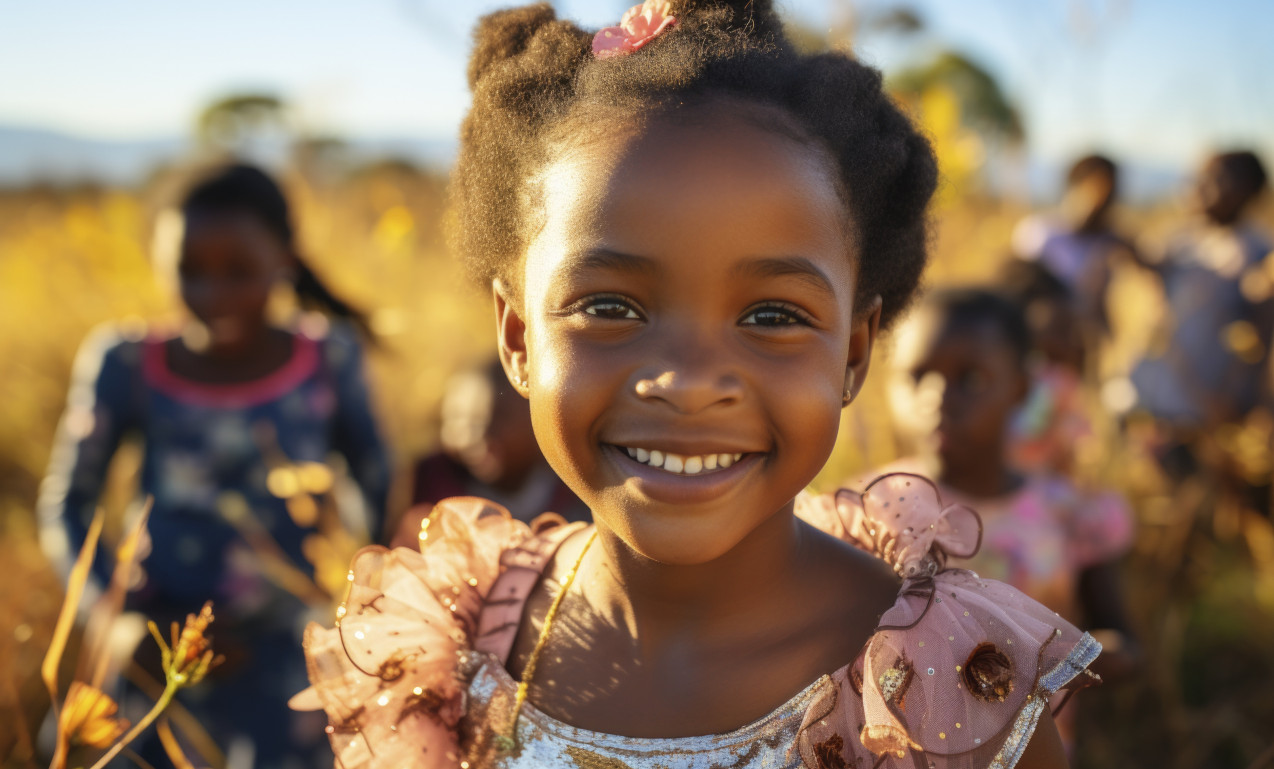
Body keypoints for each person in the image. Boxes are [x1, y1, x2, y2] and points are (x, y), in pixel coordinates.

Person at [291, 3, 1100, 767]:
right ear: (518, 337)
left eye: (773, 315)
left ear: (854, 353)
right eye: (610, 306)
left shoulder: (947, 689)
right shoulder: (459, 645)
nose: (686, 382)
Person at [38, 163, 391, 768]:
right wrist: (118, 620)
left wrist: (359, 600)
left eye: (239, 271)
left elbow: (377, 478)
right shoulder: (125, 364)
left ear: (284, 259)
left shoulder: (329, 359)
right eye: (189, 271)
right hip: (156, 652)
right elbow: (67, 504)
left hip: (291, 655)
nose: (212, 294)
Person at [884, 288, 1138, 743]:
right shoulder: (870, 509)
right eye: (918, 376)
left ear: (1020, 387)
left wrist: (1071, 660)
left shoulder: (1067, 511)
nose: (936, 397)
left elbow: (1123, 641)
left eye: (971, 379)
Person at [1129, 151, 1273, 450]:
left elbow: (1259, 337)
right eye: (1199, 178)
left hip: (1207, 407)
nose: (1199, 187)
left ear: (1247, 191)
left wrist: (1234, 397)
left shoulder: (1257, 251)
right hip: (1153, 396)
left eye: (1216, 180)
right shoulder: (1181, 239)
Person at [391, 359, 589, 547]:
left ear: (540, 420)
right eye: (463, 421)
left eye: (499, 417)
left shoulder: (577, 484)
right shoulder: (432, 492)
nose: (480, 436)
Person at [1011, 154, 1134, 336]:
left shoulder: (1110, 244)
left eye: (1110, 196)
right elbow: (1019, 290)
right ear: (1075, 188)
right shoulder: (1039, 233)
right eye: (1096, 193)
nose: (1102, 204)